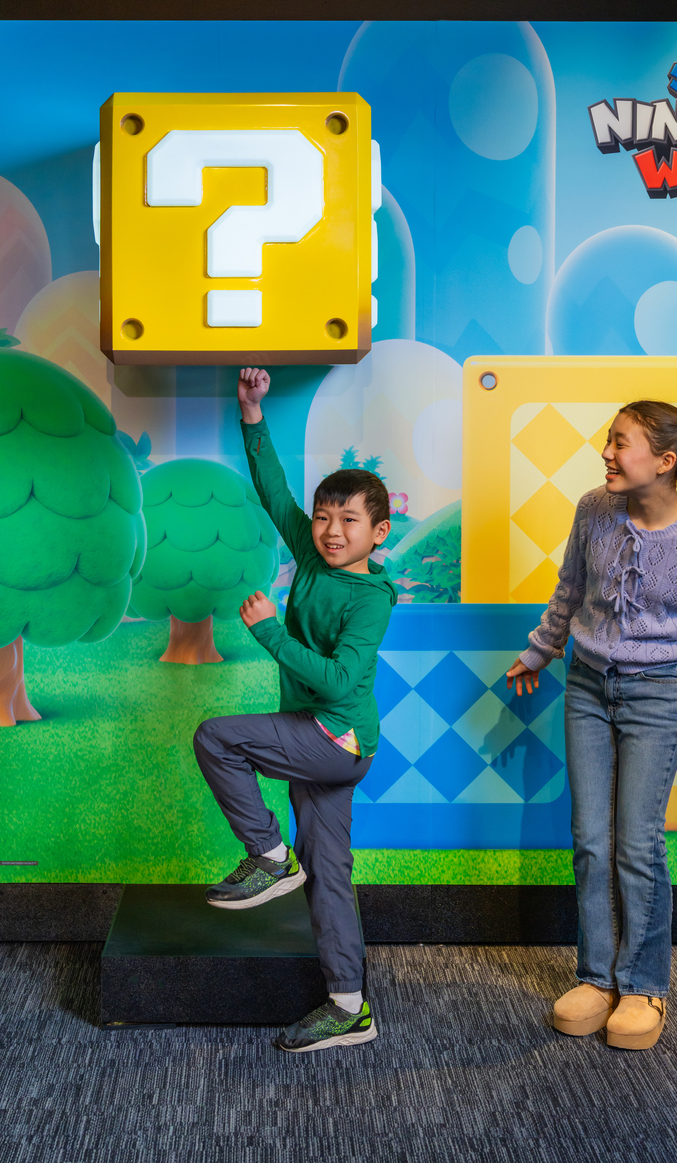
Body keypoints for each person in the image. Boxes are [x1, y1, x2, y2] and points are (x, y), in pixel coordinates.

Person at [507, 401, 677, 1051]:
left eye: (620, 443)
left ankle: (643, 986)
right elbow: (569, 590)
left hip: (657, 695)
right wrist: (540, 651)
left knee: (638, 845)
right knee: (590, 839)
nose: (606, 453)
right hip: (586, 686)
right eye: (608, 441)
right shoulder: (593, 509)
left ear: (664, 462)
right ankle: (596, 978)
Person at [193, 367, 397, 1054]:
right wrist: (252, 413)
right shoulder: (311, 555)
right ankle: (349, 1007)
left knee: (216, 739)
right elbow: (274, 489)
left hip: (335, 738)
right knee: (329, 871)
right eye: (323, 518)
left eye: (349, 521)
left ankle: (269, 856)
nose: (332, 531)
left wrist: (270, 634)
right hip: (322, 742)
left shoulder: (369, 599)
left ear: (379, 531)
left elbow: (339, 682)